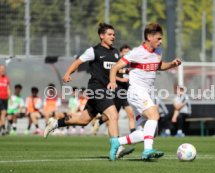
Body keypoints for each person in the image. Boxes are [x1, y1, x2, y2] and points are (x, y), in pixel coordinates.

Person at [44, 23, 126, 161]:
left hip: (106, 90)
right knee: (114, 115)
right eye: (110, 34)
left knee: (84, 120)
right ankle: (117, 147)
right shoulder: (93, 51)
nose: (113, 37)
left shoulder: (115, 52)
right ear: (101, 36)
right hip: (96, 88)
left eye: (114, 34)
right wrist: (68, 73)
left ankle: (56, 123)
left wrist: (127, 72)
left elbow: (117, 70)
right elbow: (78, 62)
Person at [107, 23, 182, 160]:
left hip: (146, 93)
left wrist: (171, 64)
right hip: (136, 91)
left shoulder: (158, 52)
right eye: (158, 38)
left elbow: (158, 66)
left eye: (161, 38)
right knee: (154, 115)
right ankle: (147, 151)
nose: (161, 41)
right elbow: (115, 67)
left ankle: (117, 142)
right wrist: (112, 82)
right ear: (149, 37)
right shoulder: (137, 52)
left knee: (146, 132)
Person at [0, 65, 11, 136]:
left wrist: (10, 98)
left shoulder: (6, 78)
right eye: (1, 69)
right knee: (3, 112)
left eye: (3, 69)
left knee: (2, 114)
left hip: (5, 98)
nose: (2, 70)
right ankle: (3, 128)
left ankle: (1, 128)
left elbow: (8, 89)